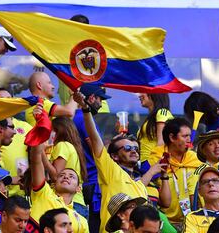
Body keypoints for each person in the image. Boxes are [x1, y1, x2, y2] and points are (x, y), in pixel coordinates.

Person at [73, 91, 171, 233]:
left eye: (136, 148)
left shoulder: (139, 185)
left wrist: (155, 170)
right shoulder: (110, 171)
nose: (133, 151)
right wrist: (86, 110)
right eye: (127, 148)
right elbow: (95, 140)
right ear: (114, 156)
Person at [148, 117, 202, 230]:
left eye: (189, 136)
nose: (189, 140)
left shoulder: (195, 159)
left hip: (192, 222)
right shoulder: (156, 159)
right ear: (172, 137)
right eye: (184, 136)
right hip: (164, 223)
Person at [73, 83, 111, 232]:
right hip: (92, 182)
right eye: (100, 99)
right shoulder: (83, 117)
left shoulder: (80, 117)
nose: (101, 104)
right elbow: (96, 149)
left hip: (89, 181)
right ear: (91, 97)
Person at [29, 143, 89, 232]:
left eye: (71, 176)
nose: (66, 177)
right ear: (55, 183)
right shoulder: (44, 193)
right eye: (61, 175)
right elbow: (36, 161)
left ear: (78, 188)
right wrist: (37, 143)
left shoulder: (81, 221)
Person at [42, 116, 88, 218]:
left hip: (69, 203)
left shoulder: (62, 145)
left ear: (58, 131)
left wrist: (41, 154)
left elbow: (56, 176)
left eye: (51, 131)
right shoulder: (73, 147)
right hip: (78, 203)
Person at [189, 130, 219, 209]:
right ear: (203, 150)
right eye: (211, 144)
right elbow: (194, 199)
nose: (217, 146)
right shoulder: (199, 172)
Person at [137, 93, 173, 162]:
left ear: (154, 95)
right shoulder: (150, 119)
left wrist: (152, 163)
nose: (140, 95)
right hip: (144, 162)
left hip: (152, 162)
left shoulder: (162, 112)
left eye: (144, 92)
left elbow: (161, 143)